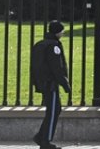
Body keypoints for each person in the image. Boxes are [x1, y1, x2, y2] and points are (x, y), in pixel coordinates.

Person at [30, 20, 70, 149]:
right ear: (58, 32)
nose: (62, 34)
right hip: (50, 83)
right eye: (62, 31)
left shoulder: (41, 44)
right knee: (53, 111)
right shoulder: (54, 46)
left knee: (55, 109)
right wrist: (65, 83)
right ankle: (46, 140)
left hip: (42, 82)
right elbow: (56, 67)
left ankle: (41, 136)